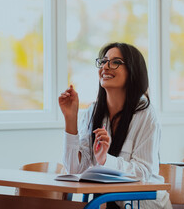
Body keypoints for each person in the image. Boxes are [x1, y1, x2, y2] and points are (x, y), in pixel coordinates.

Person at [58, 42, 172, 209]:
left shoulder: (146, 114)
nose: (105, 67)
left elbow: (142, 173)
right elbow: (74, 169)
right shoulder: (93, 111)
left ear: (133, 71)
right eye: (103, 61)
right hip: (109, 203)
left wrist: (105, 160)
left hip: (145, 204)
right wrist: (70, 119)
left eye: (115, 62)